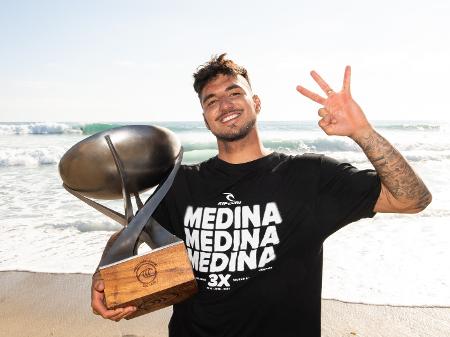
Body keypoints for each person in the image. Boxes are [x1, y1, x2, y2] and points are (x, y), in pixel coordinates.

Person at [91, 54, 431, 337]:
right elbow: (130, 233)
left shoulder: (309, 176)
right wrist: (103, 275)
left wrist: (362, 131)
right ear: (205, 118)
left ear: (255, 102)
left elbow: (411, 199)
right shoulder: (181, 183)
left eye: (234, 93)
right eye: (211, 101)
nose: (224, 104)